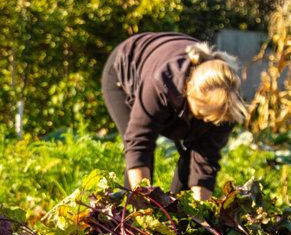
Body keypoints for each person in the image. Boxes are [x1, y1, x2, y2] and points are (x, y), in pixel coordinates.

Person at [101, 32, 247, 201]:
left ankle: (179, 219)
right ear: (189, 89)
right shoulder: (160, 83)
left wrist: (200, 214)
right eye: (203, 114)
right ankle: (130, 218)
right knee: (139, 155)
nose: (207, 121)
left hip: (176, 92)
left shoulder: (226, 104)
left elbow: (206, 161)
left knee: (193, 154)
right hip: (125, 68)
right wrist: (146, 214)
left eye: (211, 118)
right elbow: (138, 146)